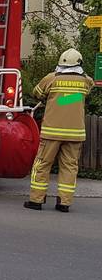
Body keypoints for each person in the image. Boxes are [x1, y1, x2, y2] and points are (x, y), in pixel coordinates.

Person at [24, 48, 94, 213]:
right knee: (69, 167)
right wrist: (68, 99)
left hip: (52, 132)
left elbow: (37, 93)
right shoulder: (86, 81)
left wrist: (57, 100)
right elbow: (84, 94)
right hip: (75, 134)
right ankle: (64, 203)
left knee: (42, 164)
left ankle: (36, 200)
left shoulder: (51, 78)